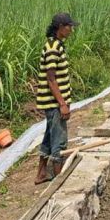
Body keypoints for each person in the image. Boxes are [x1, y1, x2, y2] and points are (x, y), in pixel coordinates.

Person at [35, 13, 77, 185]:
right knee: (59, 140)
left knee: (49, 137)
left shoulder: (57, 45)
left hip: (54, 103)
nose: (71, 30)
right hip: (54, 103)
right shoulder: (53, 48)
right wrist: (62, 104)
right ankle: (59, 182)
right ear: (60, 27)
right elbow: (51, 78)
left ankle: (41, 174)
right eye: (69, 27)